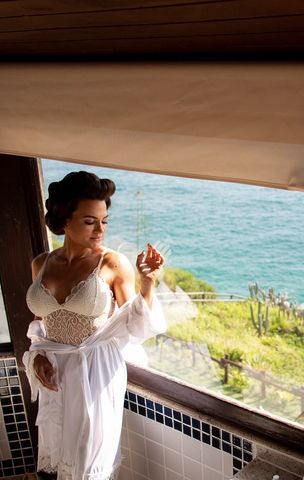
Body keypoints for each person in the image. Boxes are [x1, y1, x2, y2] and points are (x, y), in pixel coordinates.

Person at [23, 171, 167, 480]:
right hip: (55, 373)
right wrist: (37, 358)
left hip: (96, 373)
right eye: (90, 221)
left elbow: (136, 327)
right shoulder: (41, 264)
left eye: (105, 221)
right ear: (64, 219)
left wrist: (148, 283)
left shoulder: (113, 263)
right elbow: (40, 326)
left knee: (87, 467)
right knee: (55, 457)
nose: (100, 230)